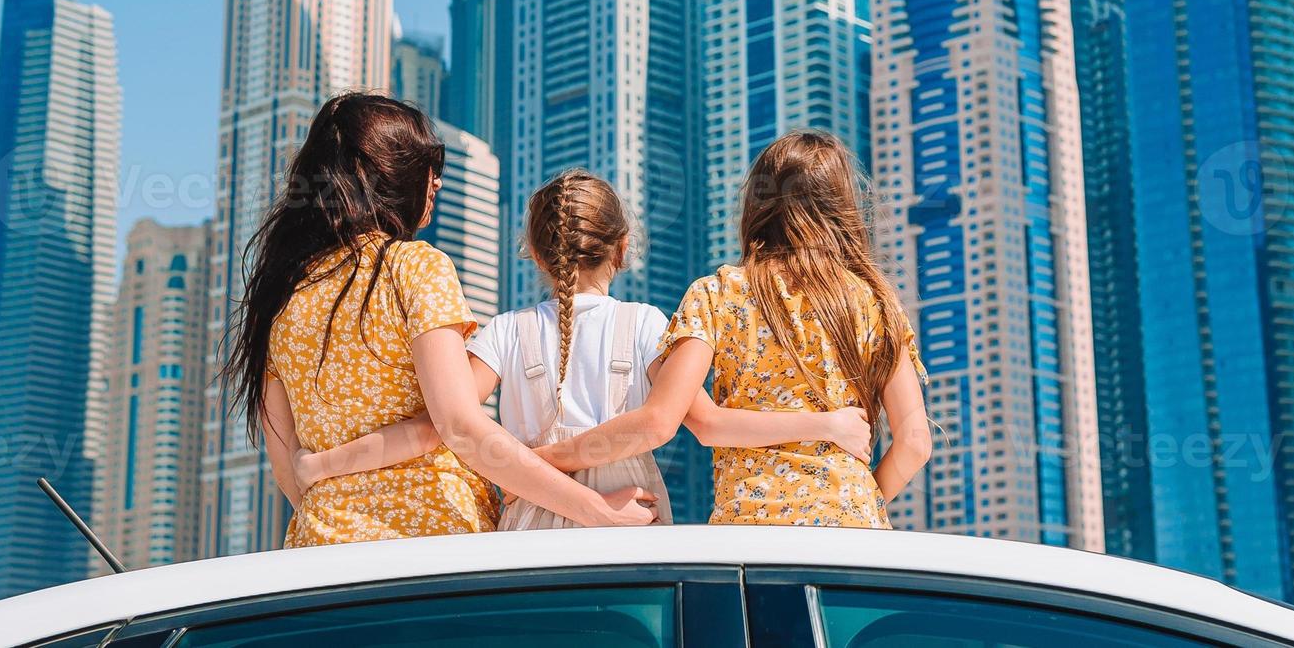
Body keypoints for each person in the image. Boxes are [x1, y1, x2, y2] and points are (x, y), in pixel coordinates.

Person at [295, 169, 873, 529]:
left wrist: (324, 463)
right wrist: (828, 424)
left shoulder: (502, 332)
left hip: (527, 515)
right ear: (622, 248)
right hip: (631, 517)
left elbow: (437, 428)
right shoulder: (648, 324)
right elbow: (700, 422)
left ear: (537, 253)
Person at [221, 92, 654, 545]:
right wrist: (595, 510)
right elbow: (459, 425)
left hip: (321, 551)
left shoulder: (281, 298)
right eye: (430, 170)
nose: (437, 185)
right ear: (391, 175)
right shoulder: (414, 267)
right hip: (434, 541)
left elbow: (289, 469)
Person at [551, 130, 932, 526]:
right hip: (852, 533)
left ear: (757, 203)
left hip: (750, 531)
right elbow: (915, 443)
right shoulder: (876, 304)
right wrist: (858, 500)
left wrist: (545, 459)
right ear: (841, 206)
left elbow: (698, 422)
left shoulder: (718, 293)